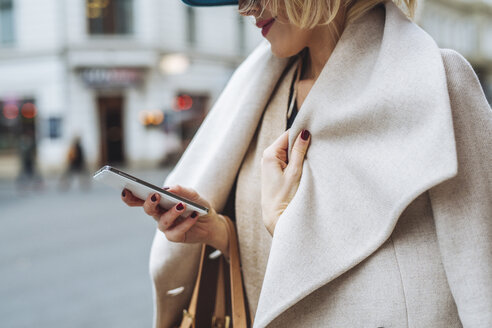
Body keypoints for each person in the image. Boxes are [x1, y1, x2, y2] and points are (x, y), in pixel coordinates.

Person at [122, 0, 492, 327]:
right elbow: (283, 281)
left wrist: (289, 222)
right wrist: (218, 232)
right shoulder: (257, 103)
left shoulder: (435, 85)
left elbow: (483, 286)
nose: (243, 7)